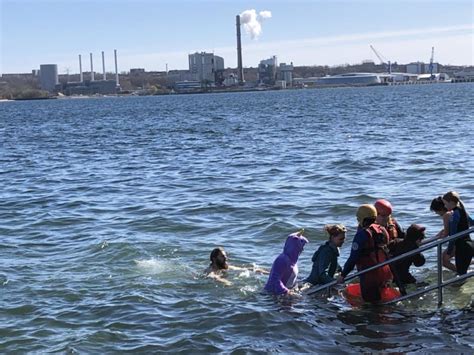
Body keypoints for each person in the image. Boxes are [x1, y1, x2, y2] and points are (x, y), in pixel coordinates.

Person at [337, 204, 393, 303]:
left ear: (361, 219)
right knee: (380, 300)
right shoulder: (383, 230)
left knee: (370, 304)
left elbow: (353, 258)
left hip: (370, 275)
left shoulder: (362, 235)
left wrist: (343, 275)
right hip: (385, 272)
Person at [264, 231, 308, 295]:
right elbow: (275, 279)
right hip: (274, 295)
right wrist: (286, 291)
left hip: (286, 292)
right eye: (300, 246)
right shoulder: (282, 260)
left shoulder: (292, 261)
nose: (302, 249)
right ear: (293, 246)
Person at [442, 191, 474, 275]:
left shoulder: (454, 215)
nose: (445, 206)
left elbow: (453, 237)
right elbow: (472, 222)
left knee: (461, 277)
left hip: (462, 247)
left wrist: (449, 252)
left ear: (451, 202)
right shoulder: (463, 211)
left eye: (445, 204)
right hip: (470, 243)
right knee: (462, 274)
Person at [430, 196, 456, 272]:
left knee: (443, 260)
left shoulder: (446, 215)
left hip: (456, 242)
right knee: (461, 260)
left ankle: (462, 273)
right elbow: (450, 227)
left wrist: (439, 236)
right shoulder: (452, 212)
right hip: (461, 239)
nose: (436, 213)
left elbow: (446, 234)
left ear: (440, 209)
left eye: (436, 211)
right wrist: (441, 232)